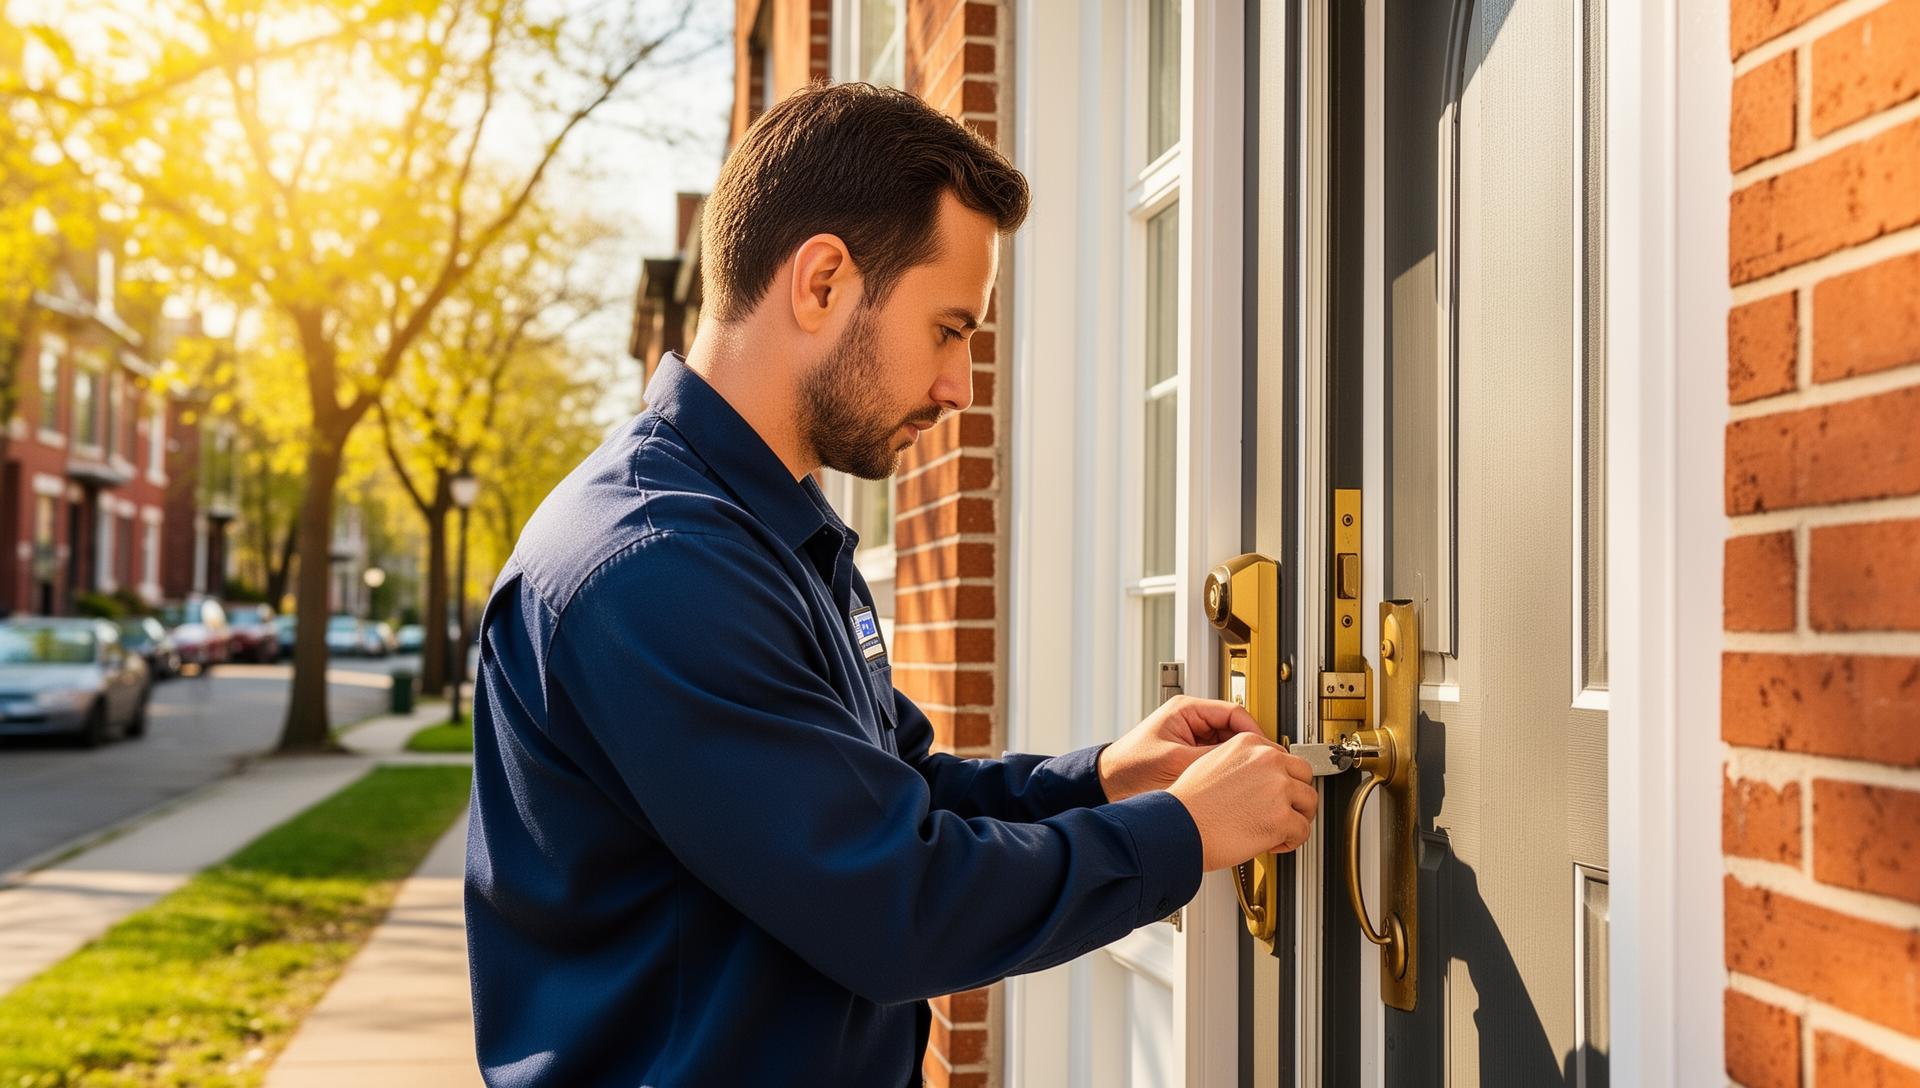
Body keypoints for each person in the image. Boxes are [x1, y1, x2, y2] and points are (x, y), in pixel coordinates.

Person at [464, 81, 1319, 1087]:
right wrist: (1180, 834)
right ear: (821, 281)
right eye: (949, 329)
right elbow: (896, 902)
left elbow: (896, 798)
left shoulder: (760, 532)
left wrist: (1100, 779)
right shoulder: (653, 569)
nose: (959, 384)